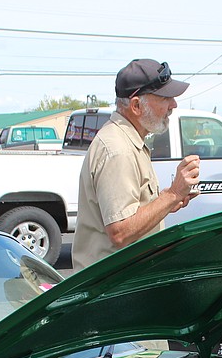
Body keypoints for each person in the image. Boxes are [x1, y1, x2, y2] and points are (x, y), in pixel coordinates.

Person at [72, 59, 201, 271]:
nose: (174, 105)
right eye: (165, 98)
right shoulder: (118, 150)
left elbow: (131, 215)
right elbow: (120, 233)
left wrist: (167, 202)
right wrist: (173, 194)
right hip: (113, 289)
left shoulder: (128, 141)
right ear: (136, 106)